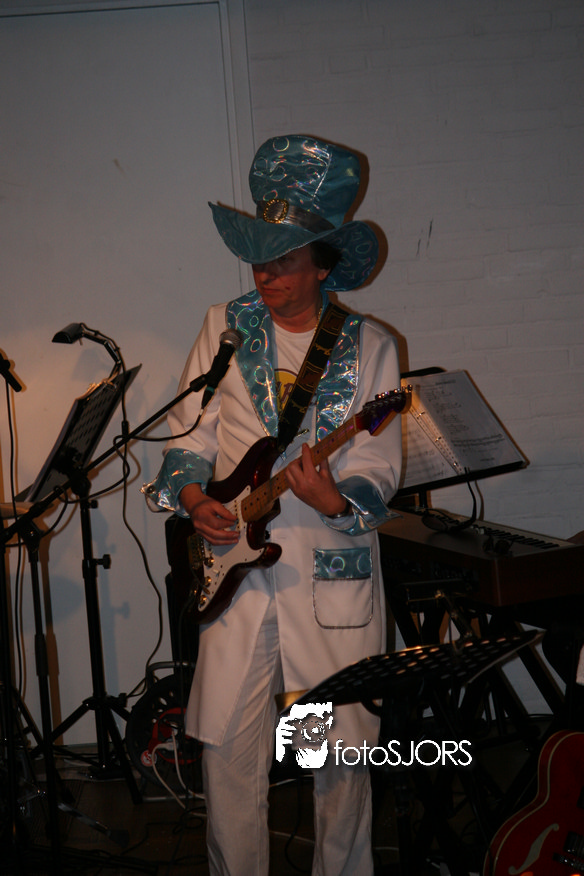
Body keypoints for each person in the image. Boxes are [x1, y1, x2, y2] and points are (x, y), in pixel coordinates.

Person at [144, 134, 402, 876]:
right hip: (236, 570)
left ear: (322, 265)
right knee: (228, 749)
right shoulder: (225, 328)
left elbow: (380, 467)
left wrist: (334, 498)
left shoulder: (371, 346)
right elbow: (189, 434)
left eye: (283, 261)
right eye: (259, 259)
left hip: (328, 574)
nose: (265, 275)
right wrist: (194, 496)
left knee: (338, 759)